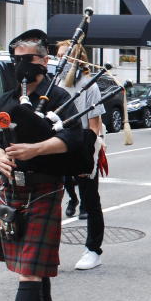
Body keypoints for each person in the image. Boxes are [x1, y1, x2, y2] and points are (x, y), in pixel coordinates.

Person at [0, 29, 85, 301]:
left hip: (44, 188)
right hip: (12, 190)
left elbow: (75, 139)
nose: (20, 65)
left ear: (43, 61)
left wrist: (35, 149)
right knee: (33, 264)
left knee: (30, 267)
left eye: (27, 59)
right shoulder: (7, 100)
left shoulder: (59, 97)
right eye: (15, 59)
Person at [53, 40, 106, 273]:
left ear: (76, 59)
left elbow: (95, 125)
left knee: (90, 199)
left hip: (82, 147)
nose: (60, 60)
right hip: (55, 146)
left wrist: (88, 152)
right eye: (58, 55)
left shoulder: (89, 86)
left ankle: (93, 250)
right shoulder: (53, 84)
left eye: (65, 55)